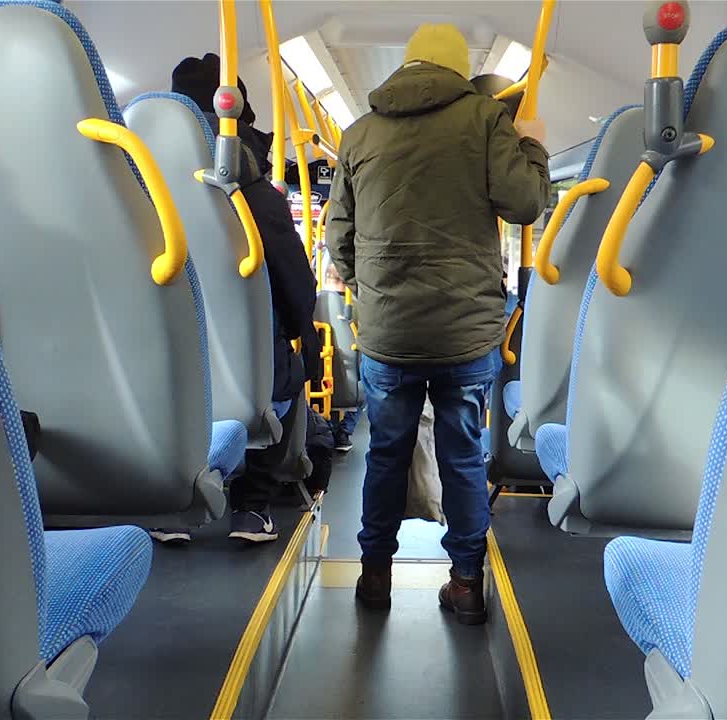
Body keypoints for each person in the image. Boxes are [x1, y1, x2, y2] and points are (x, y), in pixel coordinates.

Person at [325, 24, 549, 624]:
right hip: (464, 334)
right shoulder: (485, 122)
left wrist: (371, 290)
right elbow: (526, 203)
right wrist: (532, 145)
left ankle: (375, 579)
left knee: (386, 454)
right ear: (456, 70)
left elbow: (339, 240)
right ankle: (466, 582)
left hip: (389, 335)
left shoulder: (358, 133)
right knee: (463, 457)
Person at [172, 53, 323, 543]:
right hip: (247, 370)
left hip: (168, 373)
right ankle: (252, 506)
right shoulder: (253, 192)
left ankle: (164, 503)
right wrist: (307, 335)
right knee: (289, 369)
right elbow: (296, 281)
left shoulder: (142, 189)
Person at [319, 256, 361, 452]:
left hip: (317, 374)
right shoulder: (354, 308)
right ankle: (344, 432)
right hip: (348, 378)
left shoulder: (313, 303)